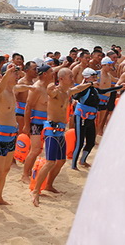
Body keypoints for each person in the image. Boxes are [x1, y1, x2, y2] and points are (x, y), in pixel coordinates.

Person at [31, 68, 92, 206]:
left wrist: (90, 83)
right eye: (70, 76)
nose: (72, 78)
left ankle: (49, 185)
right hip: (51, 131)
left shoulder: (68, 91)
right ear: (62, 79)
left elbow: (80, 87)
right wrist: (51, 84)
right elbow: (49, 92)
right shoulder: (56, 91)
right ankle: (35, 190)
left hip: (60, 131)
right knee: (50, 162)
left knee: (62, 160)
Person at [0, 64, 32, 218]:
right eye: (13, 74)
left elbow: (24, 83)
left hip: (11, 136)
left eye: (17, 73)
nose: (16, 76)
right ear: (5, 76)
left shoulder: (12, 90)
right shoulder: (1, 91)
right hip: (0, 137)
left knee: (5, 171)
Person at [71, 68, 124, 170]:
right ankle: (73, 165)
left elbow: (103, 91)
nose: (96, 79)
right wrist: (81, 87)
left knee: (91, 142)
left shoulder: (94, 89)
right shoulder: (83, 89)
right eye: (93, 77)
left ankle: (82, 161)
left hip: (91, 118)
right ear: (87, 78)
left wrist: (120, 87)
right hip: (81, 117)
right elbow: (74, 95)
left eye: (96, 77)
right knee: (80, 142)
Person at [21, 64, 52, 183]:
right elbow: (28, 107)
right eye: (51, 72)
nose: (53, 74)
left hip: (46, 123)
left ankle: (29, 171)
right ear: (44, 74)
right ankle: (24, 174)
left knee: (37, 150)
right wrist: (26, 125)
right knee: (35, 149)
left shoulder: (47, 87)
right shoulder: (37, 88)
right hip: (36, 122)